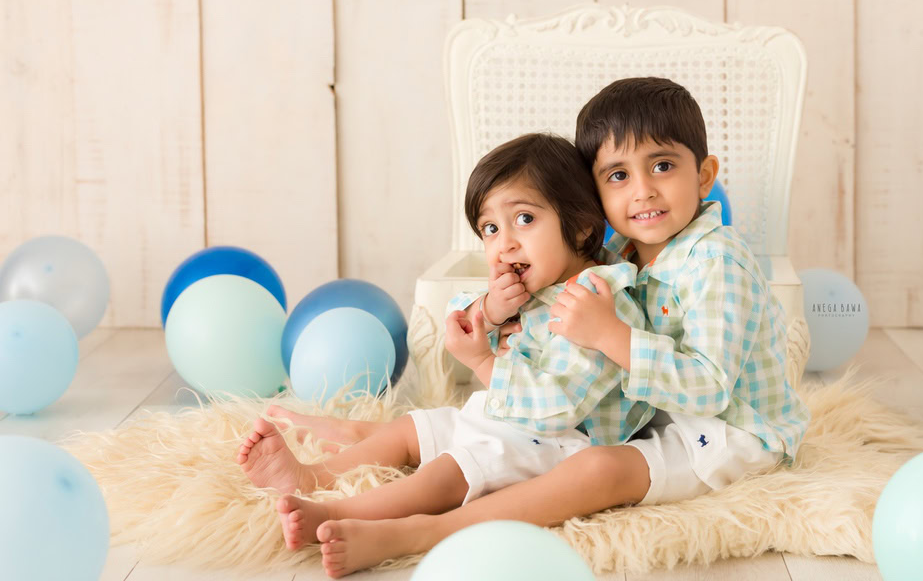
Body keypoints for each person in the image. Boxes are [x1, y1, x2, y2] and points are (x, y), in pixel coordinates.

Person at [282, 77, 812, 579]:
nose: (643, 191)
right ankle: (342, 463)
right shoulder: (619, 256)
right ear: (596, 200)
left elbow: (712, 386)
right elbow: (549, 289)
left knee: (601, 470)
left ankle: (431, 532)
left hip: (732, 432)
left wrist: (608, 336)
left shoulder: (717, 261)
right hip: (654, 416)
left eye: (663, 165)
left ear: (703, 175)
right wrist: (490, 310)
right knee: (476, 419)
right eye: (619, 176)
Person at [236, 132, 653, 557]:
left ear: (582, 226)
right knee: (409, 430)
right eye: (490, 228)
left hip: (562, 446)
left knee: (446, 475)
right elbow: (459, 314)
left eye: (524, 219)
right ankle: (315, 476)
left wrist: (483, 362)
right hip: (503, 419)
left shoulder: (600, 301)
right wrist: (489, 309)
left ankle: (338, 512)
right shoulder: (537, 282)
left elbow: (554, 410)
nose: (504, 242)